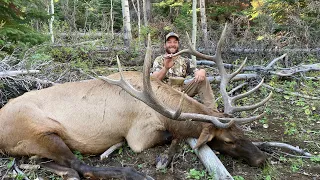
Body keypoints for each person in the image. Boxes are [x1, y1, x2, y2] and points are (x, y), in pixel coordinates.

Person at [152, 32, 217, 111]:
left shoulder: (184, 60)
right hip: (164, 94)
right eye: (169, 42)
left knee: (203, 81)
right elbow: (154, 80)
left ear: (178, 45)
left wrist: (202, 71)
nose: (172, 44)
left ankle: (213, 113)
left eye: (175, 42)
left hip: (181, 92)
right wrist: (166, 68)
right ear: (164, 45)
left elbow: (196, 71)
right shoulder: (159, 60)